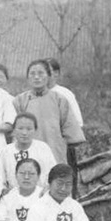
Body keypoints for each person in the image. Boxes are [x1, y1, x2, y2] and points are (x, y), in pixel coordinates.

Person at [13, 60, 85, 166]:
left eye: (41, 73)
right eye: (32, 74)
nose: (36, 77)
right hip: (27, 153)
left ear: (49, 76)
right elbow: (13, 131)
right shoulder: (19, 101)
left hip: (55, 152)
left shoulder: (59, 99)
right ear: (28, 78)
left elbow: (70, 131)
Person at [46, 57, 83, 195]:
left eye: (49, 71)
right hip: (43, 144)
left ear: (56, 73)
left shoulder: (65, 94)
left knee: (64, 181)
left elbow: (77, 123)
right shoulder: (35, 94)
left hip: (62, 146)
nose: (46, 75)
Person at [0, 113, 56, 192]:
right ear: (14, 130)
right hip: (14, 196)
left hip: (40, 196)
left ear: (35, 130)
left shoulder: (43, 148)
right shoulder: (6, 151)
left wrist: (46, 191)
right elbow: (1, 179)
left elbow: (53, 174)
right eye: (20, 128)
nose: (24, 133)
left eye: (29, 129)